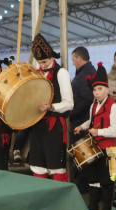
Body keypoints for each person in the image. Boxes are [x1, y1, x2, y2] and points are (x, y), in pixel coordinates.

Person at [73, 63, 116, 210]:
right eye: (94, 90)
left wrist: (98, 132)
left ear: (107, 89)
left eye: (100, 89)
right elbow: (92, 120)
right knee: (92, 178)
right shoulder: (93, 105)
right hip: (94, 146)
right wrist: (82, 126)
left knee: (106, 180)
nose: (96, 92)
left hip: (108, 148)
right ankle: (93, 207)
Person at [30, 33, 74, 182]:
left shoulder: (61, 73)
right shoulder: (36, 74)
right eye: (40, 62)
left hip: (54, 126)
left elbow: (69, 103)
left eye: (45, 61)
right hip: (37, 125)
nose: (42, 65)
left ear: (51, 57)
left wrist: (52, 107)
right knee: (38, 164)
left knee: (55, 164)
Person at [70, 46, 96, 136]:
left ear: (79, 58)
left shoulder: (85, 75)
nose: (73, 63)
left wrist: (71, 114)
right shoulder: (87, 71)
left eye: (73, 60)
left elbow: (88, 99)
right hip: (82, 119)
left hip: (81, 120)